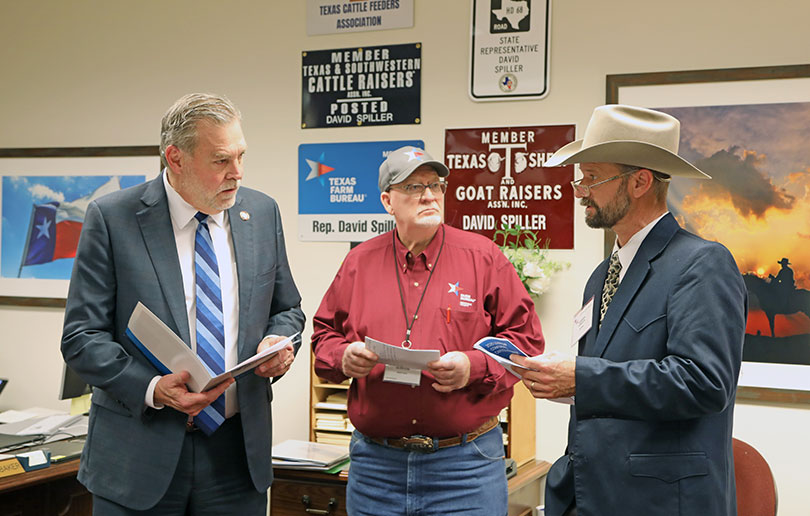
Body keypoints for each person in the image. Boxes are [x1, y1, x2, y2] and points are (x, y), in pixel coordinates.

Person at [61, 93, 305, 515]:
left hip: (235, 458)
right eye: (221, 161)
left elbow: (288, 310)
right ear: (175, 158)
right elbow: (81, 337)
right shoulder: (113, 217)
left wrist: (279, 344)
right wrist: (153, 389)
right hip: (139, 455)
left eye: (241, 156)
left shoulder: (262, 213)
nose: (237, 173)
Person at [511, 105, 748, 516]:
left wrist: (579, 378)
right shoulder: (601, 276)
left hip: (659, 503)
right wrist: (561, 383)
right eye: (580, 180)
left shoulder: (703, 263)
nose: (581, 191)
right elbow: (610, 380)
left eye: (593, 178)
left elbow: (704, 382)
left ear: (640, 182)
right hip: (590, 495)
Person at [311, 146, 545, 516]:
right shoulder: (359, 262)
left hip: (464, 467)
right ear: (388, 201)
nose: (428, 195)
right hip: (376, 468)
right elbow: (324, 335)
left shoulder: (482, 257)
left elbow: (526, 341)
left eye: (435, 185)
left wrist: (475, 366)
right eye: (413, 186)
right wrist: (343, 356)